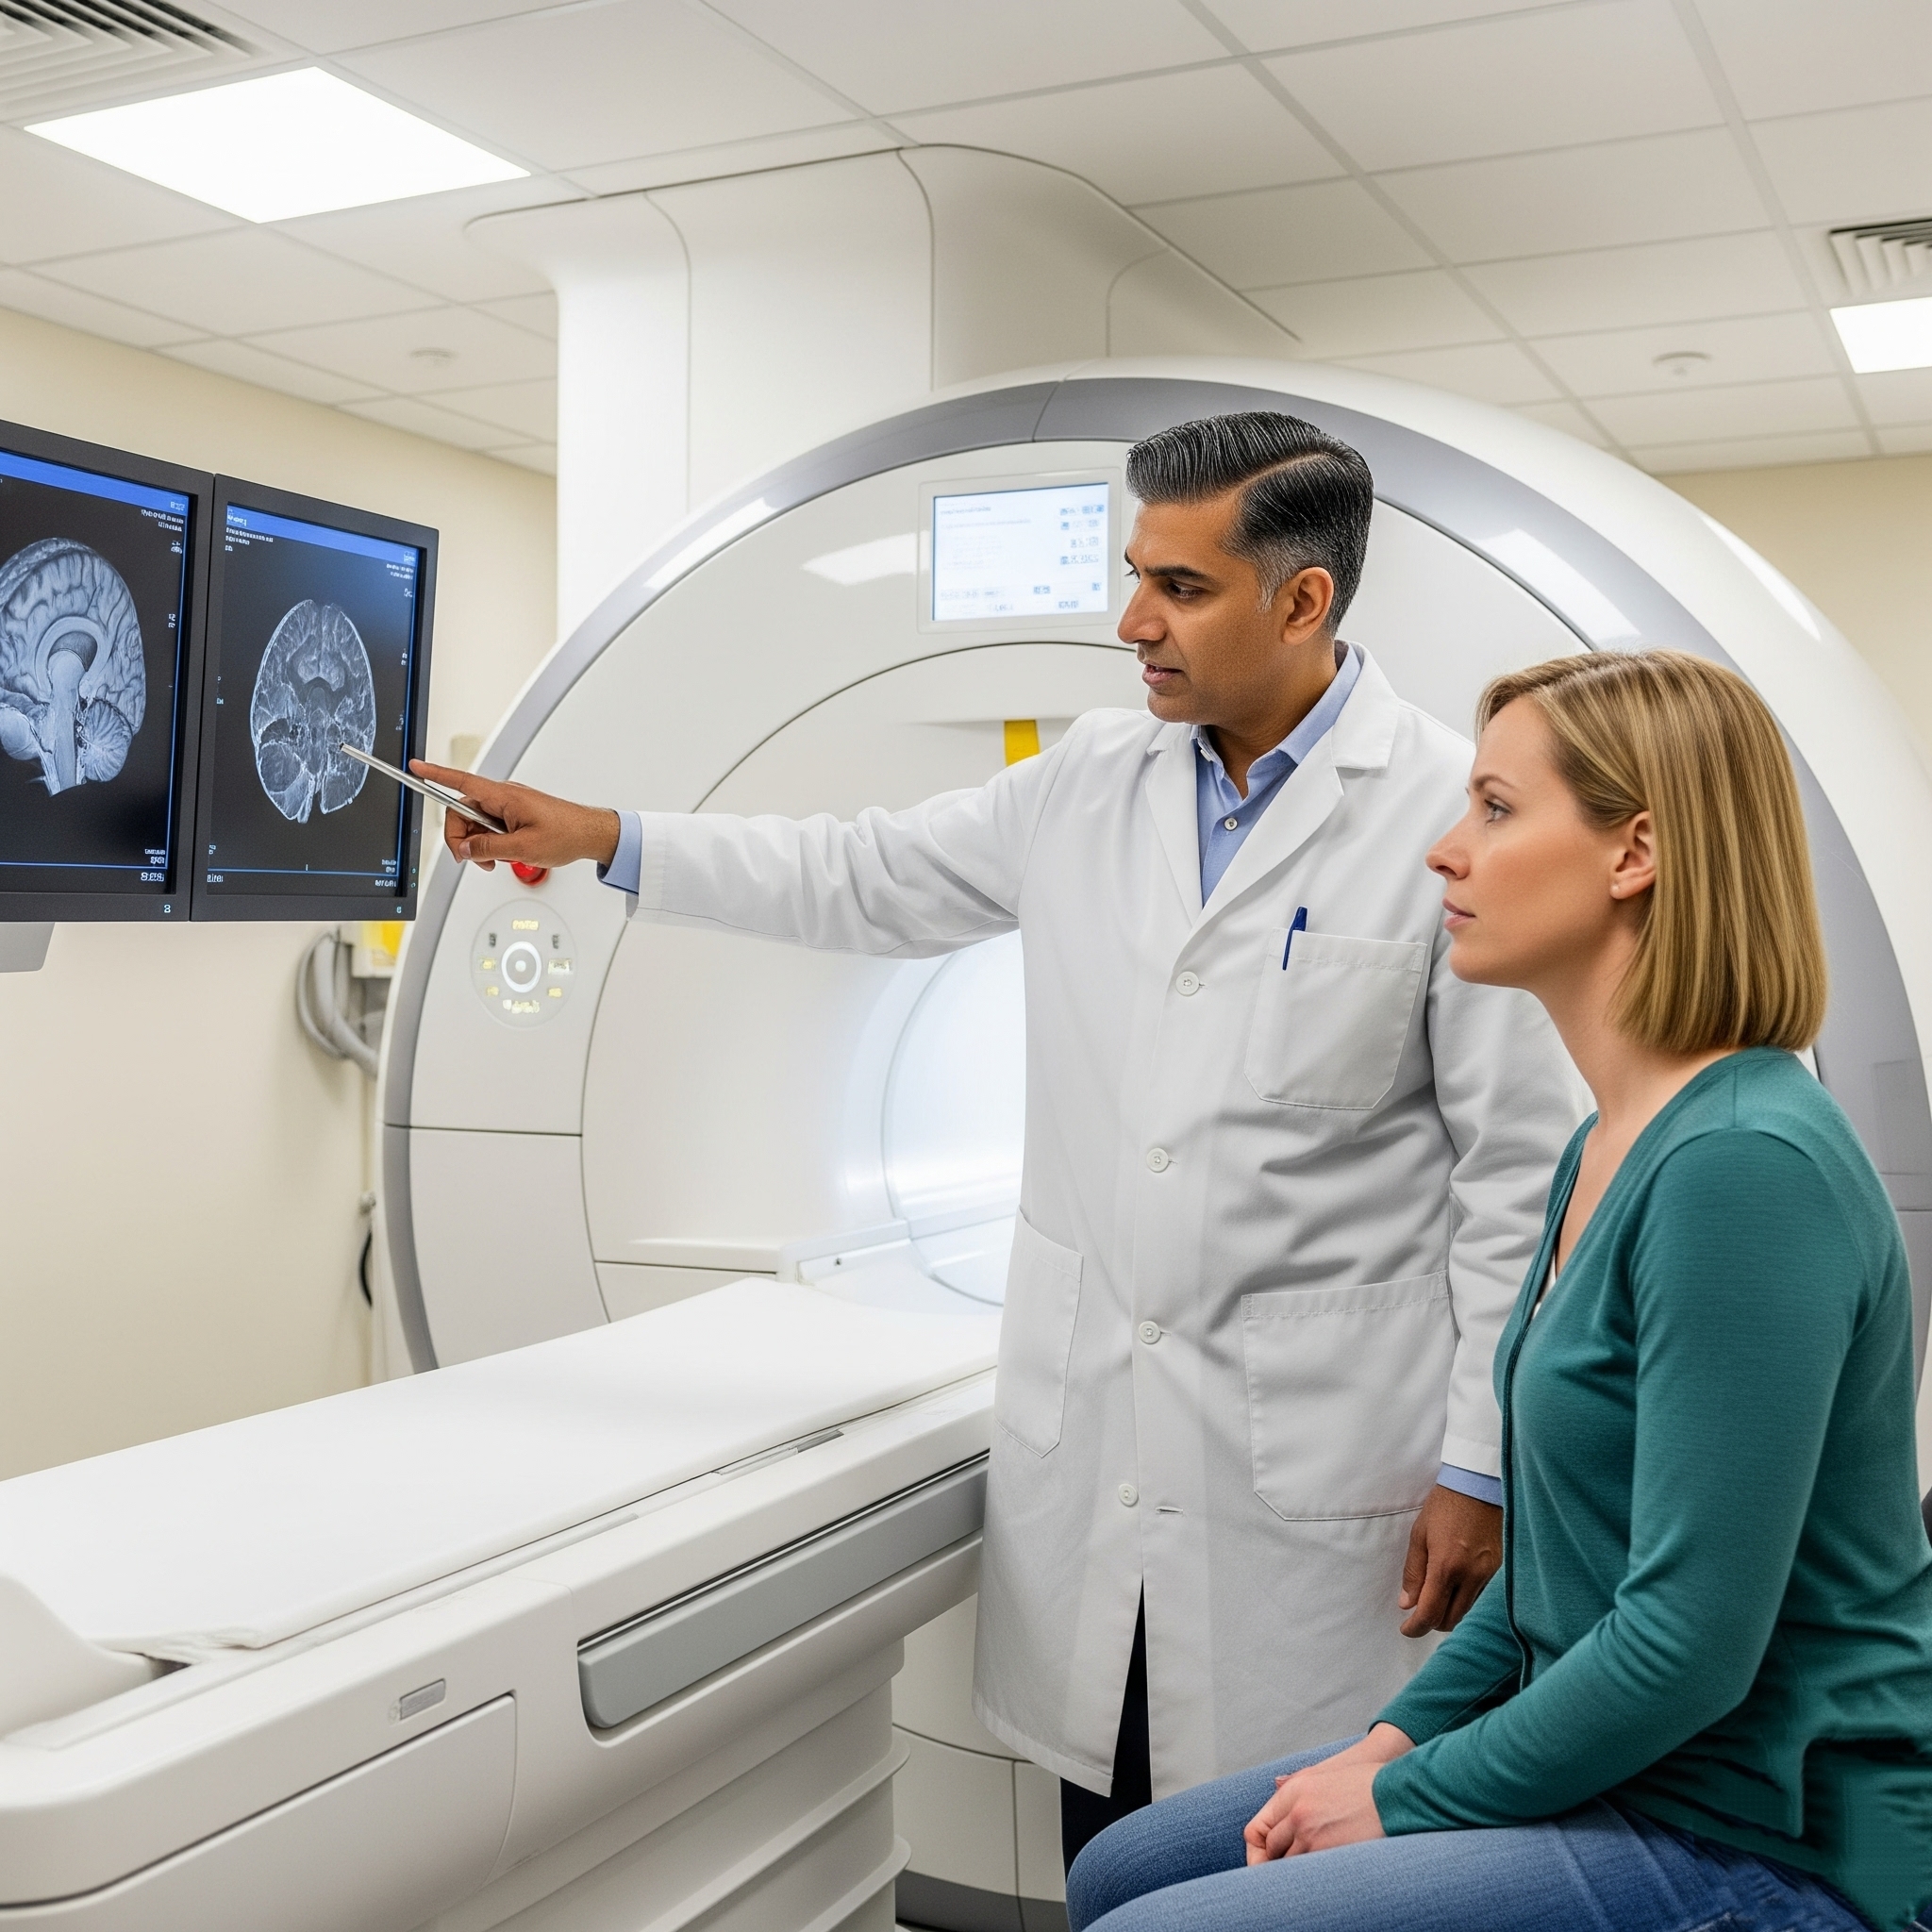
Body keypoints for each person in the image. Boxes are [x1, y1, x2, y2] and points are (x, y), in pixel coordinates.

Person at [412, 412, 1583, 1868]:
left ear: (1303, 601)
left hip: (1329, 1480)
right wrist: (603, 834)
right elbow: (860, 876)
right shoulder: (1094, 779)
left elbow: (1520, 1181)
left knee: (1303, 1860)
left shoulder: (1441, 817)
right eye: (1133, 573)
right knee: (1116, 1848)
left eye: (1181, 588)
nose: (1130, 620)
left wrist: (1481, 1463)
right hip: (1105, 1441)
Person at [1064, 648, 1932, 1932]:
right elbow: (1550, 1586)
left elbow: (1687, 1646)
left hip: (1768, 1832)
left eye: (1496, 809)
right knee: (1119, 1870)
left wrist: (1408, 1802)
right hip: (1639, 1769)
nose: (1443, 851)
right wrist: (1388, 1741)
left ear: (1634, 853)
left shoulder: (1741, 1170)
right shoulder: (1608, 1142)